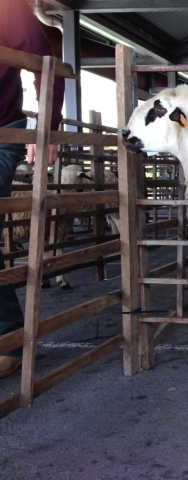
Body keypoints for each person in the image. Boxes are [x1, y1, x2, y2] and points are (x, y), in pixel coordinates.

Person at [0, 0, 65, 378]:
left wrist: (47, 125)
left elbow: (41, 56)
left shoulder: (7, 6)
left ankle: (8, 336)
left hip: (2, 130)